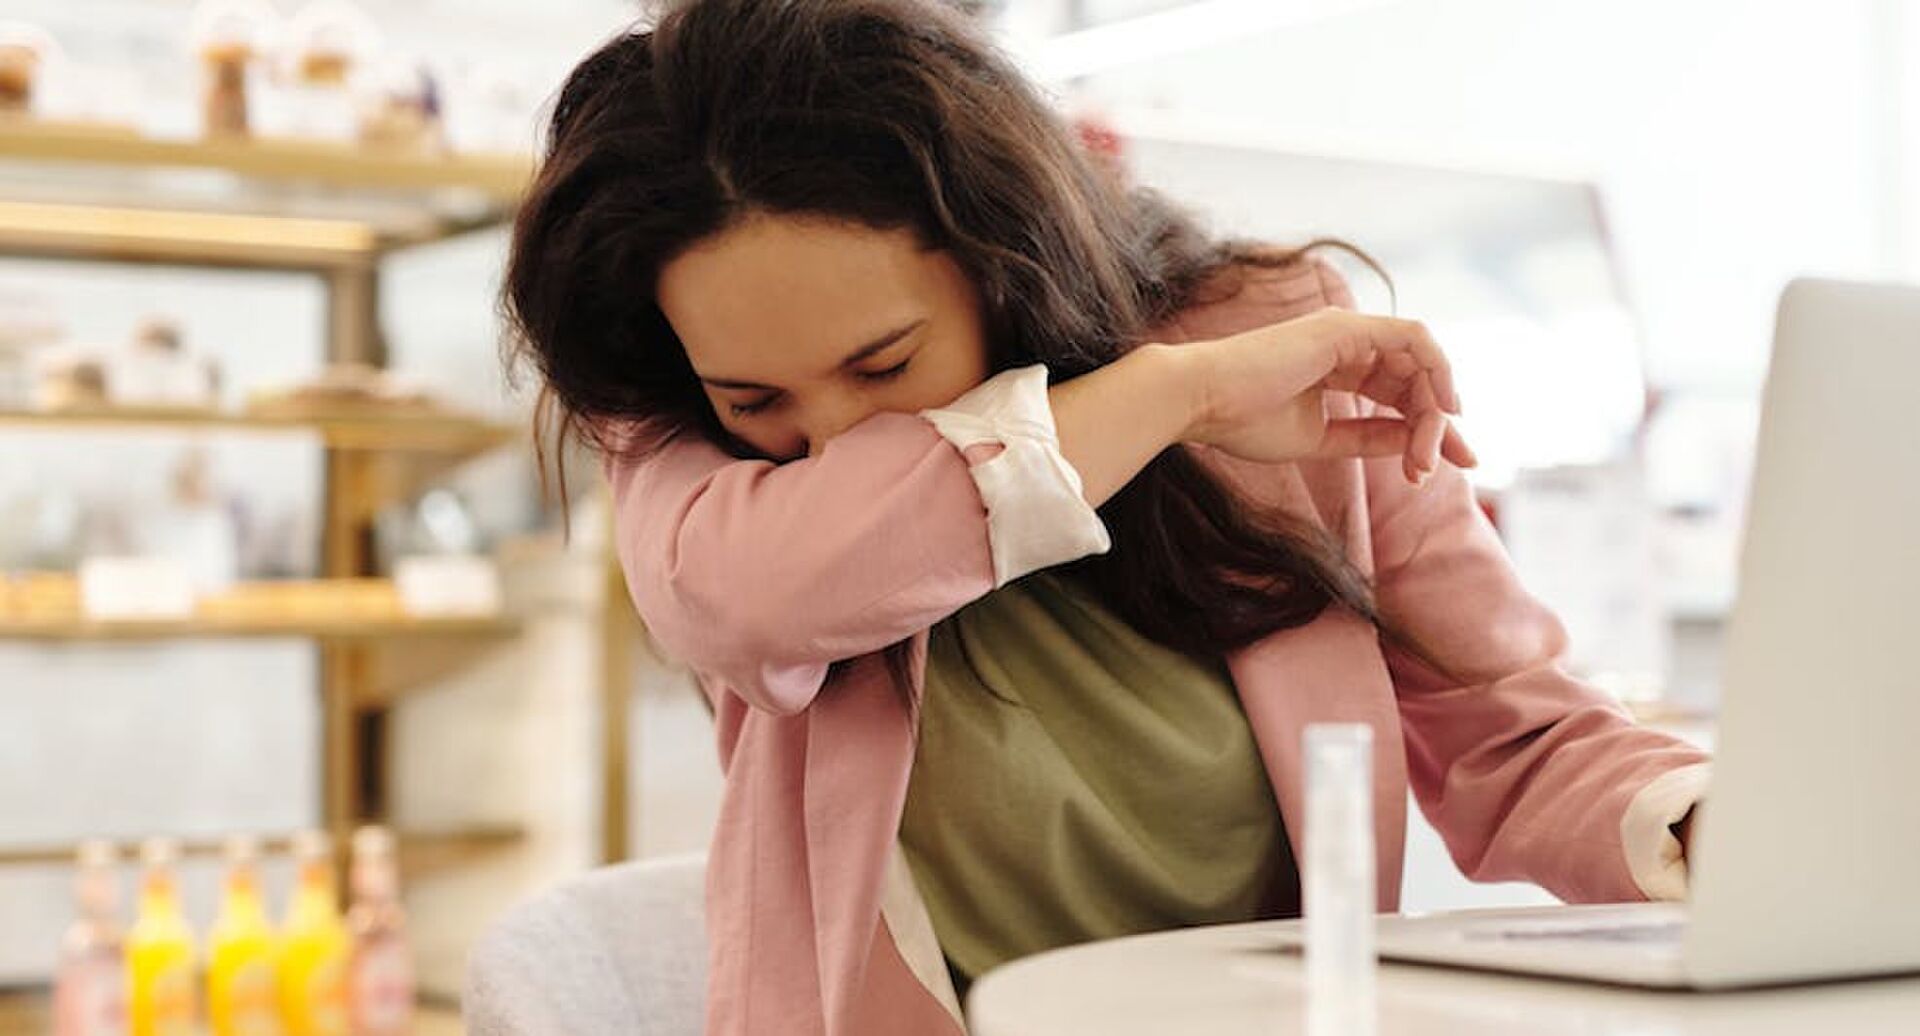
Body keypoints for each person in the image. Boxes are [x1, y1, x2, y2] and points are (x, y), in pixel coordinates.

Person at [501, 2, 1711, 1033]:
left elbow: (1515, 732)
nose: (837, 441)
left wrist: (1713, 826)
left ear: (1001, 263)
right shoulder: (673, 434)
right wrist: (1171, 396)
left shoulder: (1265, 332)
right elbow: (754, 597)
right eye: (757, 399)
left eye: (884, 364)